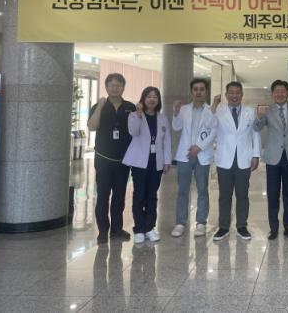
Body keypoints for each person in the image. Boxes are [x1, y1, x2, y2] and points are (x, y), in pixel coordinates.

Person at [253, 80, 288, 241]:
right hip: (273, 157)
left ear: (287, 93)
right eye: (276, 91)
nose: (280, 94)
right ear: (272, 93)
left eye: (283, 91)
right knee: (273, 194)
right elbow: (256, 128)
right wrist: (259, 116)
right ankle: (273, 229)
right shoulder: (267, 110)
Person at [87, 73, 137, 244]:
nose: (115, 88)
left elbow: (136, 130)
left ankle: (116, 229)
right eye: (112, 85)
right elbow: (92, 126)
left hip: (123, 160)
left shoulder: (130, 107)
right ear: (106, 87)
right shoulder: (98, 106)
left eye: (119, 85)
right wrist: (100, 107)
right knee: (103, 195)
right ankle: (103, 231)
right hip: (103, 158)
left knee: (119, 196)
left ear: (123, 87)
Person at [211, 81, 261, 241]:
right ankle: (223, 227)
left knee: (242, 195)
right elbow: (209, 126)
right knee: (224, 195)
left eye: (237, 92)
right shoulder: (218, 111)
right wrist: (213, 105)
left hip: (244, 159)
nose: (234, 95)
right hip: (224, 158)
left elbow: (255, 134)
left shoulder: (250, 112)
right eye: (231, 93)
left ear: (242, 94)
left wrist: (256, 155)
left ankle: (242, 226)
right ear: (226, 95)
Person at [123, 87, 172, 243]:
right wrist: (138, 114)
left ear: (158, 100)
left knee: (152, 195)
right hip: (139, 162)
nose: (152, 99)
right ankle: (139, 229)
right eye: (149, 96)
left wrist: (167, 161)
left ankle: (149, 228)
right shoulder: (134, 115)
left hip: (156, 162)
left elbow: (167, 141)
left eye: (155, 97)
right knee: (139, 195)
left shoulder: (162, 118)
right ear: (143, 99)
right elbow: (133, 132)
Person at [170, 78, 217, 238]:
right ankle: (180, 223)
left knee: (202, 190)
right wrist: (176, 112)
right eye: (195, 89)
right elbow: (176, 127)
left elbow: (214, 131)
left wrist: (199, 147)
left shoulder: (211, 109)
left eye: (202, 89)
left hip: (202, 155)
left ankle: (201, 223)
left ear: (206, 92)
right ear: (191, 92)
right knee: (182, 190)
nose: (198, 92)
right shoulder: (184, 109)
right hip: (185, 155)